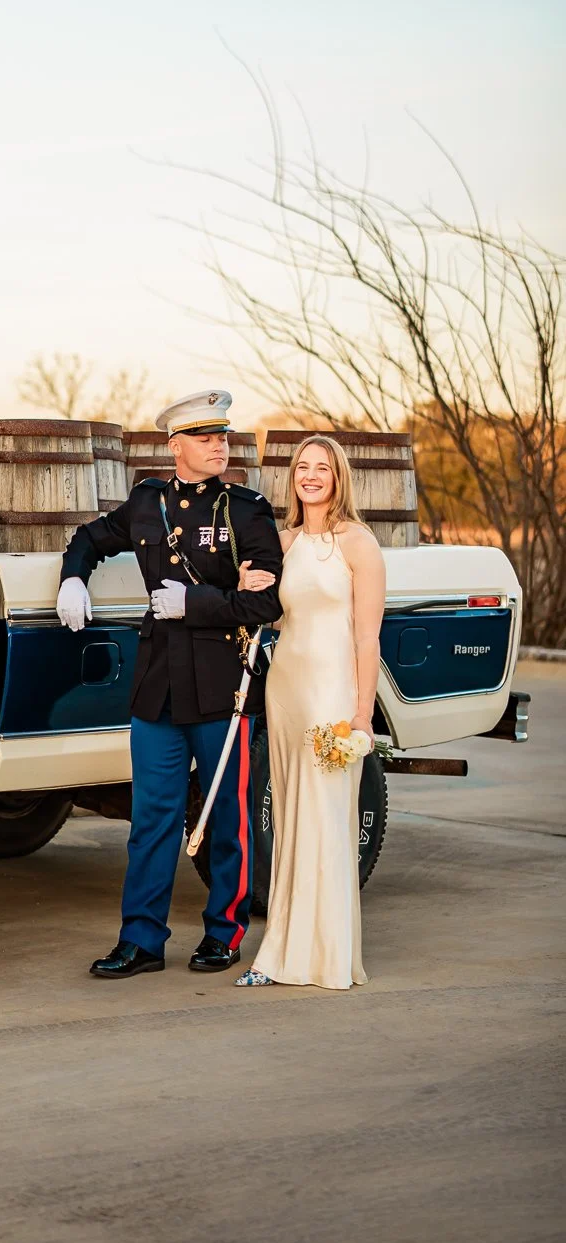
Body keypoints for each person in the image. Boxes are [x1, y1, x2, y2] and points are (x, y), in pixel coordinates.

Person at [57, 389, 283, 978]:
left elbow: (268, 604)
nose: (219, 446)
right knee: (152, 818)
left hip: (221, 688)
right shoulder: (147, 503)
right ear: (174, 445)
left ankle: (224, 932)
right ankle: (142, 939)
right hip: (157, 688)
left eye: (223, 436)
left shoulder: (245, 510)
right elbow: (89, 538)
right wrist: (73, 579)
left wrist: (197, 602)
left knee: (225, 822)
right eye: (206, 438)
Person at [235, 435, 386, 990]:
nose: (312, 475)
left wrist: (362, 715)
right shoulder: (284, 541)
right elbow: (272, 616)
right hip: (286, 690)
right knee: (291, 820)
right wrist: (245, 583)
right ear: (292, 477)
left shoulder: (358, 543)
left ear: (338, 477)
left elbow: (367, 637)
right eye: (303, 466)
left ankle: (325, 956)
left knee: (325, 819)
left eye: (322, 467)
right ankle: (280, 950)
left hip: (331, 694)